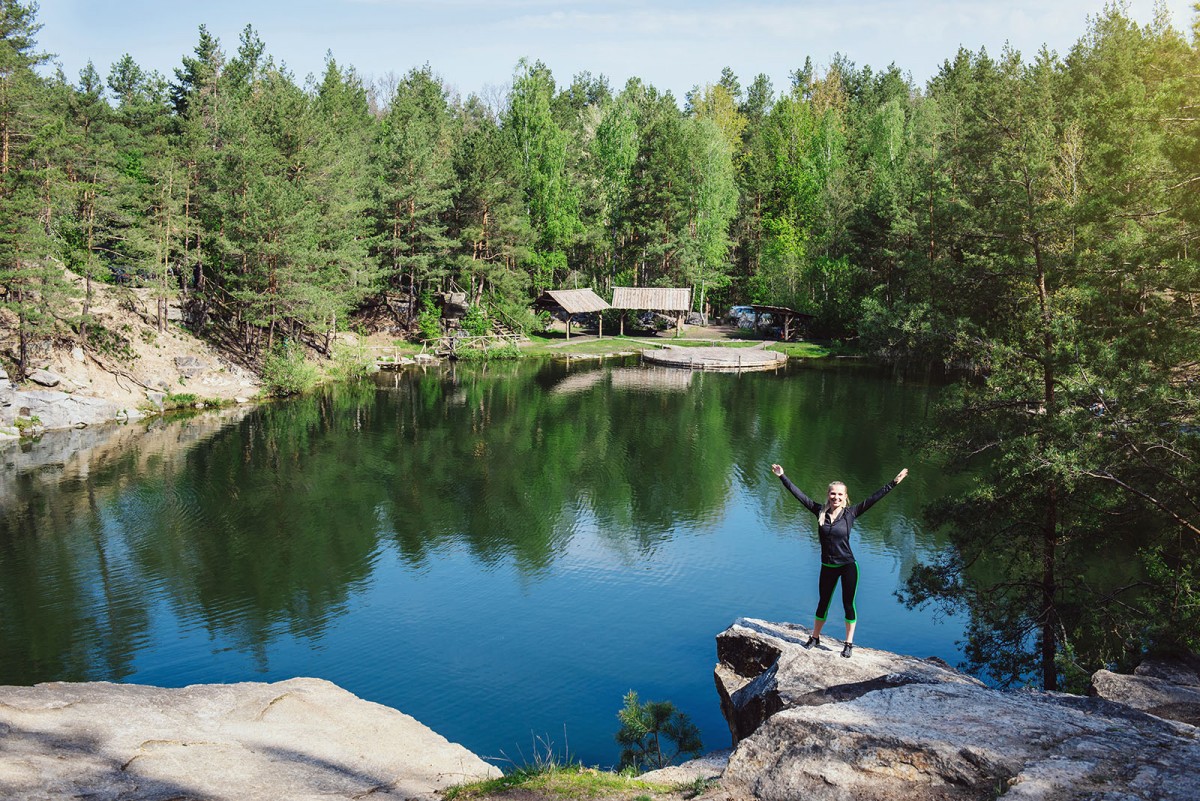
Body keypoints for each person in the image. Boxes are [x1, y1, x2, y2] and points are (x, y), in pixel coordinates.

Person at [770, 463, 909, 658]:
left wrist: (894, 483)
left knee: (848, 605)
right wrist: (782, 476)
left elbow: (874, 498)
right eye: (833, 494)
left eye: (840, 494)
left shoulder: (851, 514)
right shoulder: (819, 512)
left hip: (847, 566)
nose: (836, 497)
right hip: (827, 566)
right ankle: (815, 638)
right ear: (828, 494)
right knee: (823, 603)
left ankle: (848, 643)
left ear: (845, 497)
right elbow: (799, 495)